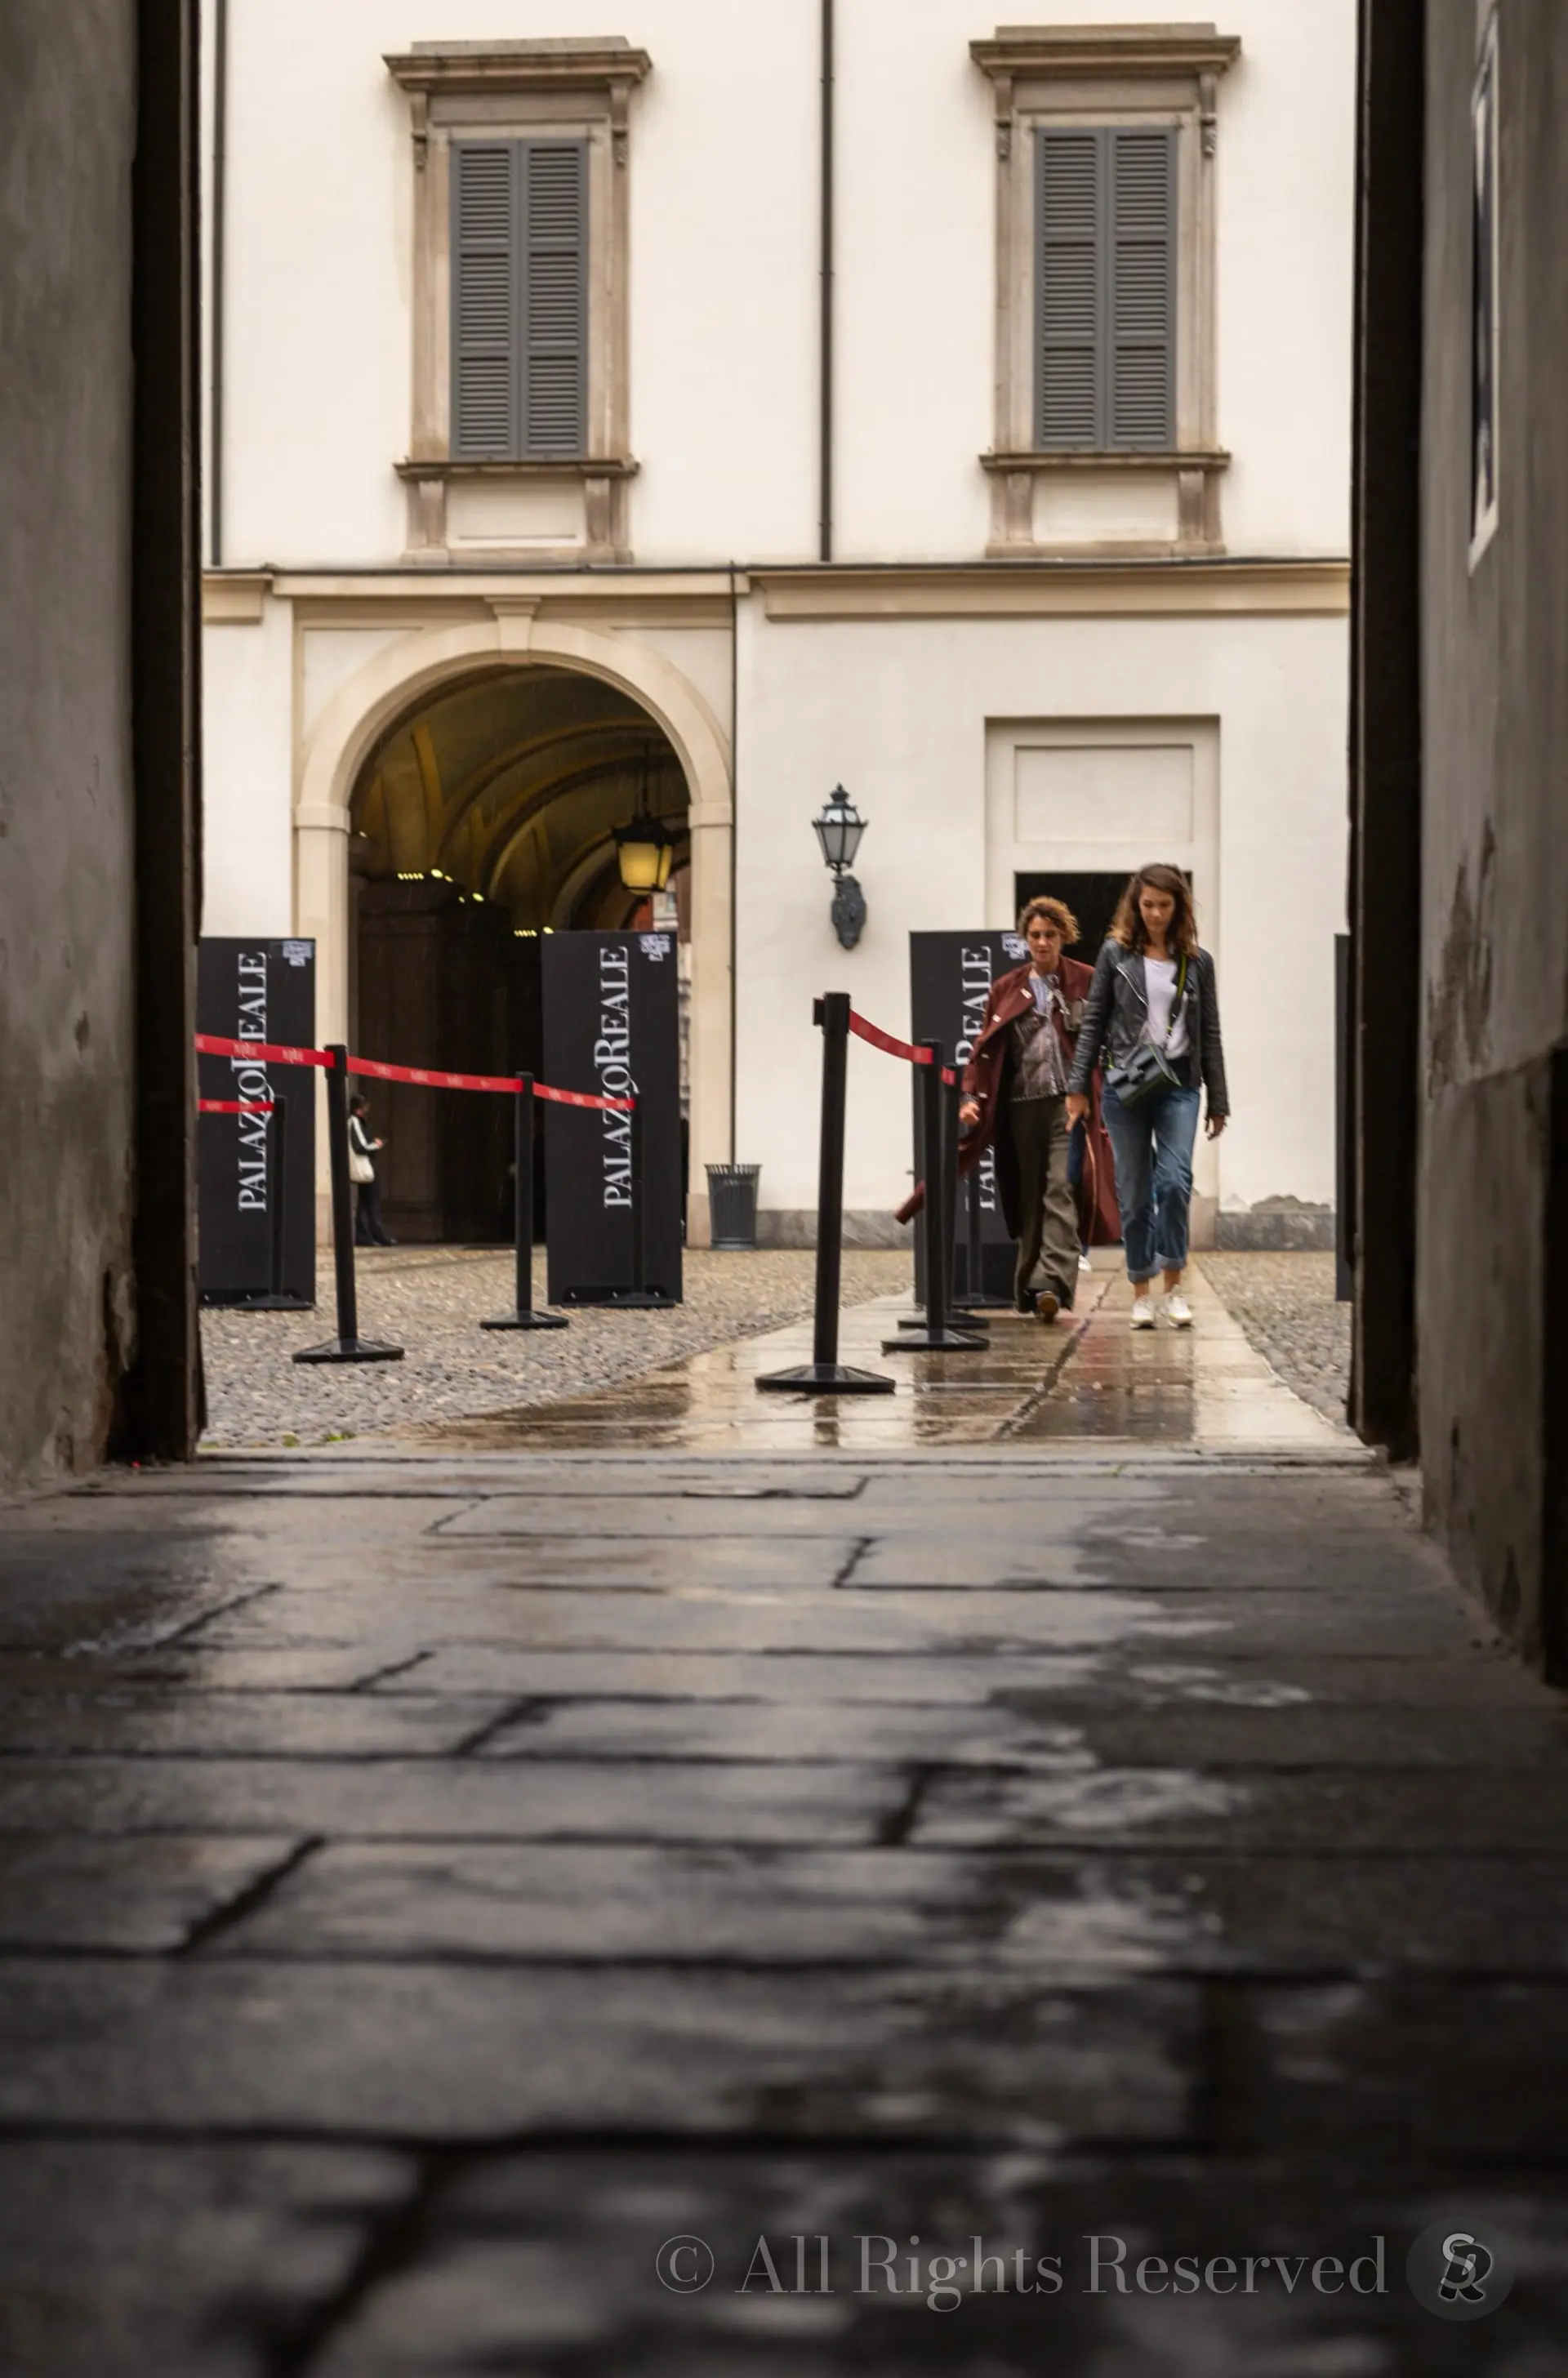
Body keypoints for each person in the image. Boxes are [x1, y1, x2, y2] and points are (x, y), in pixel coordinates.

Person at [1066, 864, 1228, 1330]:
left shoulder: (1197, 962)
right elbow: (1094, 1021)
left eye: (1165, 905)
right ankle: (1141, 1290)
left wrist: (1218, 1098)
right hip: (1127, 1085)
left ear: (1179, 907)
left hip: (1179, 1083)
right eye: (1148, 905)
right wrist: (1078, 1088)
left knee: (1175, 1182)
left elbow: (1210, 1032)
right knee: (1134, 1194)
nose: (1156, 914)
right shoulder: (1115, 953)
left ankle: (1174, 1288)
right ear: (1136, 906)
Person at [951, 896, 1114, 1321]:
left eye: (1050, 935)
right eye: (1035, 935)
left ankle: (1052, 1282)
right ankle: (1029, 1289)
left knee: (1062, 1187)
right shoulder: (1005, 989)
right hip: (1020, 1106)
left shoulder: (1087, 980)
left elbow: (1106, 1039)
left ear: (1064, 938)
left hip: (1069, 1105)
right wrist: (970, 1099)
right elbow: (981, 1050)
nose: (1042, 943)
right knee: (1028, 1200)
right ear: (1025, 939)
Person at [350, 1093, 395, 1246]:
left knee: (365, 1204)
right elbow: (360, 1147)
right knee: (371, 1204)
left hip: (367, 1166)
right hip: (366, 1168)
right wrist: (377, 1144)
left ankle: (367, 1236)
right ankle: (375, 1234)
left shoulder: (359, 1122)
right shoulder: (355, 1122)